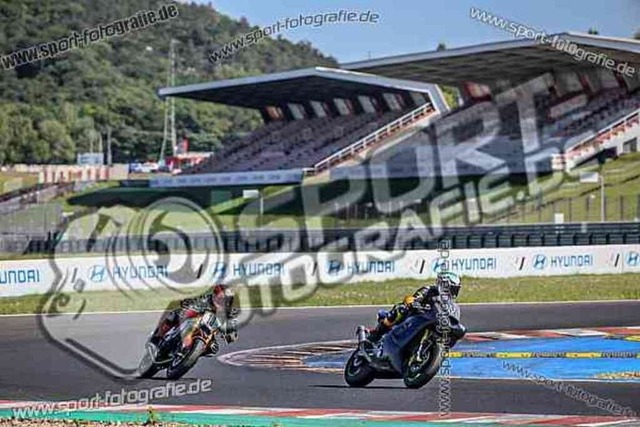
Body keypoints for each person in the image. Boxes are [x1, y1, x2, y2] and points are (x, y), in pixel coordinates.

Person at [366, 272, 462, 343]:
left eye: (455, 289)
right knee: (401, 309)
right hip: (417, 316)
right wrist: (413, 302)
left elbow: (453, 320)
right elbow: (414, 298)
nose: (453, 292)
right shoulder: (428, 290)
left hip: (433, 323)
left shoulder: (452, 305)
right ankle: (377, 334)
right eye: (451, 288)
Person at [149, 284, 238, 356]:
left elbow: (232, 330)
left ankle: (192, 353)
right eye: (220, 298)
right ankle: (157, 337)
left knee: (213, 348)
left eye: (226, 300)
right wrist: (187, 301)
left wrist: (231, 334)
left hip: (208, 333)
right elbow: (190, 299)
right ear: (214, 295)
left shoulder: (229, 312)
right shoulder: (204, 298)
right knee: (175, 314)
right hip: (194, 320)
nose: (222, 301)